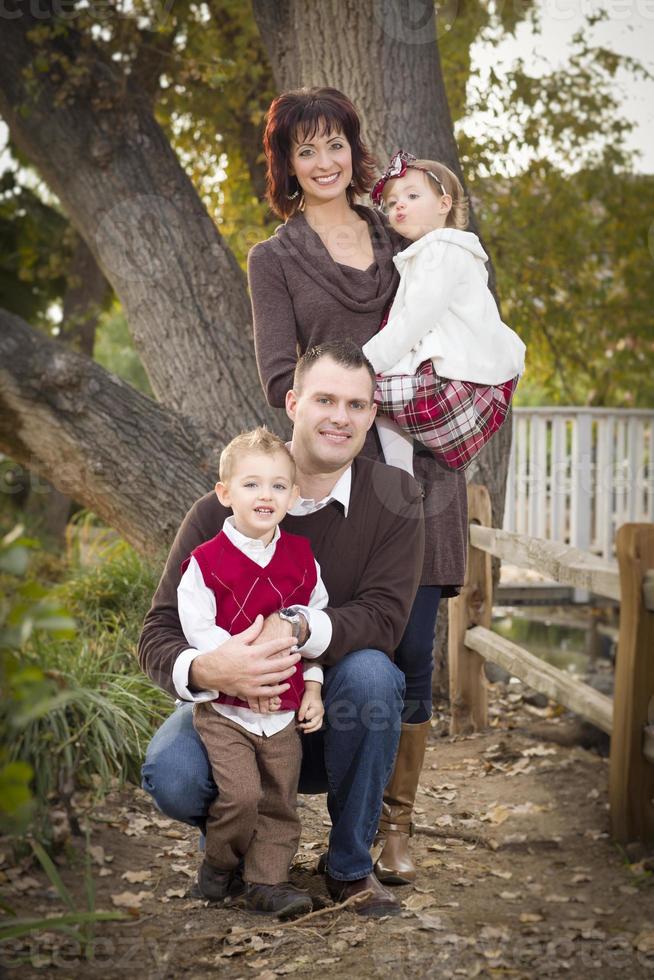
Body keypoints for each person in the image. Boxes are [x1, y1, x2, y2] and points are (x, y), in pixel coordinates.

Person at [248, 86, 468, 884]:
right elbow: (281, 378)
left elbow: (459, 316)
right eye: (304, 150)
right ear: (286, 164)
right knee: (341, 647)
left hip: (424, 471)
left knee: (412, 655)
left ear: (353, 147)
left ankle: (391, 829)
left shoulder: (400, 232)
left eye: (334, 143)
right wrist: (353, 406)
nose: (323, 161)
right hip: (337, 482)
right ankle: (284, 815)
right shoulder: (274, 260)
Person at [139, 342, 425, 917]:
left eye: (355, 404)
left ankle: (348, 867)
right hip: (231, 712)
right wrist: (208, 667)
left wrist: (297, 628)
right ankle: (238, 850)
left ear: (372, 416)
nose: (339, 417)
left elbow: (384, 618)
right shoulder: (216, 512)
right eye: (324, 399)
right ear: (292, 402)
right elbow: (159, 632)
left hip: (324, 715)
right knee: (172, 773)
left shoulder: (394, 498)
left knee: (373, 673)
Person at [178, 428, 327, 919]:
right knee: (241, 795)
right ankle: (220, 862)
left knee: (280, 801)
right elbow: (198, 630)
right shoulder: (205, 563)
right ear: (224, 493)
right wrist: (244, 675)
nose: (266, 496)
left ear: (294, 494)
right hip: (226, 710)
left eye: (279, 486)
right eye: (252, 485)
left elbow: (315, 626)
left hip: (282, 714)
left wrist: (311, 685)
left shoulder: (302, 560)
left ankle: (269, 882)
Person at [363, 150, 526, 474]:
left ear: (444, 204)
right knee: (381, 395)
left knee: (368, 389)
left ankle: (399, 472)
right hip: (468, 377)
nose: (399, 206)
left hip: (458, 380)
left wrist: (364, 362)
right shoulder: (440, 252)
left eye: (411, 196)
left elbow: (414, 320)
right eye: (392, 202)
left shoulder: (440, 251)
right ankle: (400, 471)